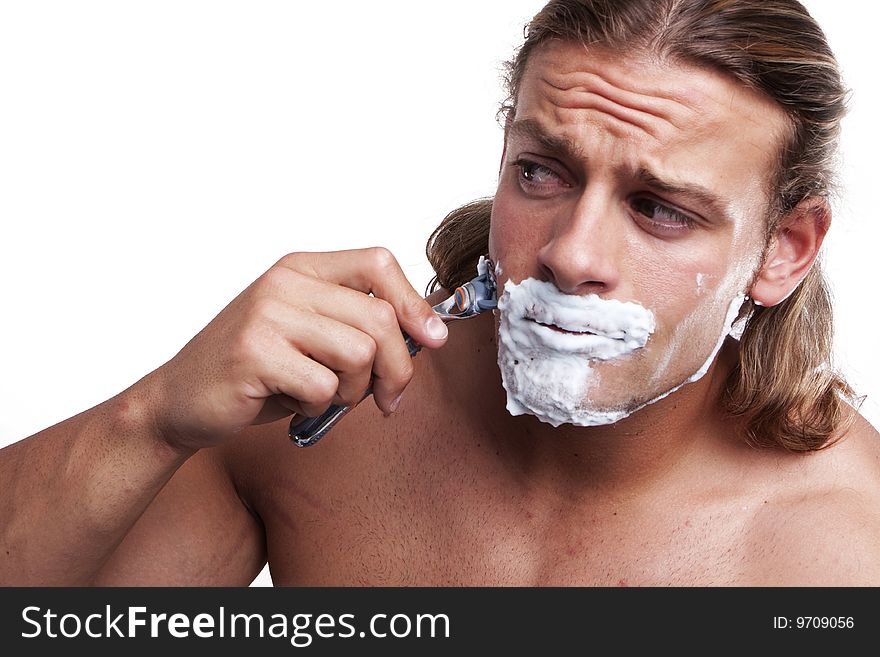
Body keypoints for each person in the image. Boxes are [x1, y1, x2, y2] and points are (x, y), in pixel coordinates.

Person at [2, 0, 878, 586]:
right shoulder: (320, 421)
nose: (572, 253)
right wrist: (151, 416)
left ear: (784, 250)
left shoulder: (847, 547)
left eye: (659, 209)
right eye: (541, 172)